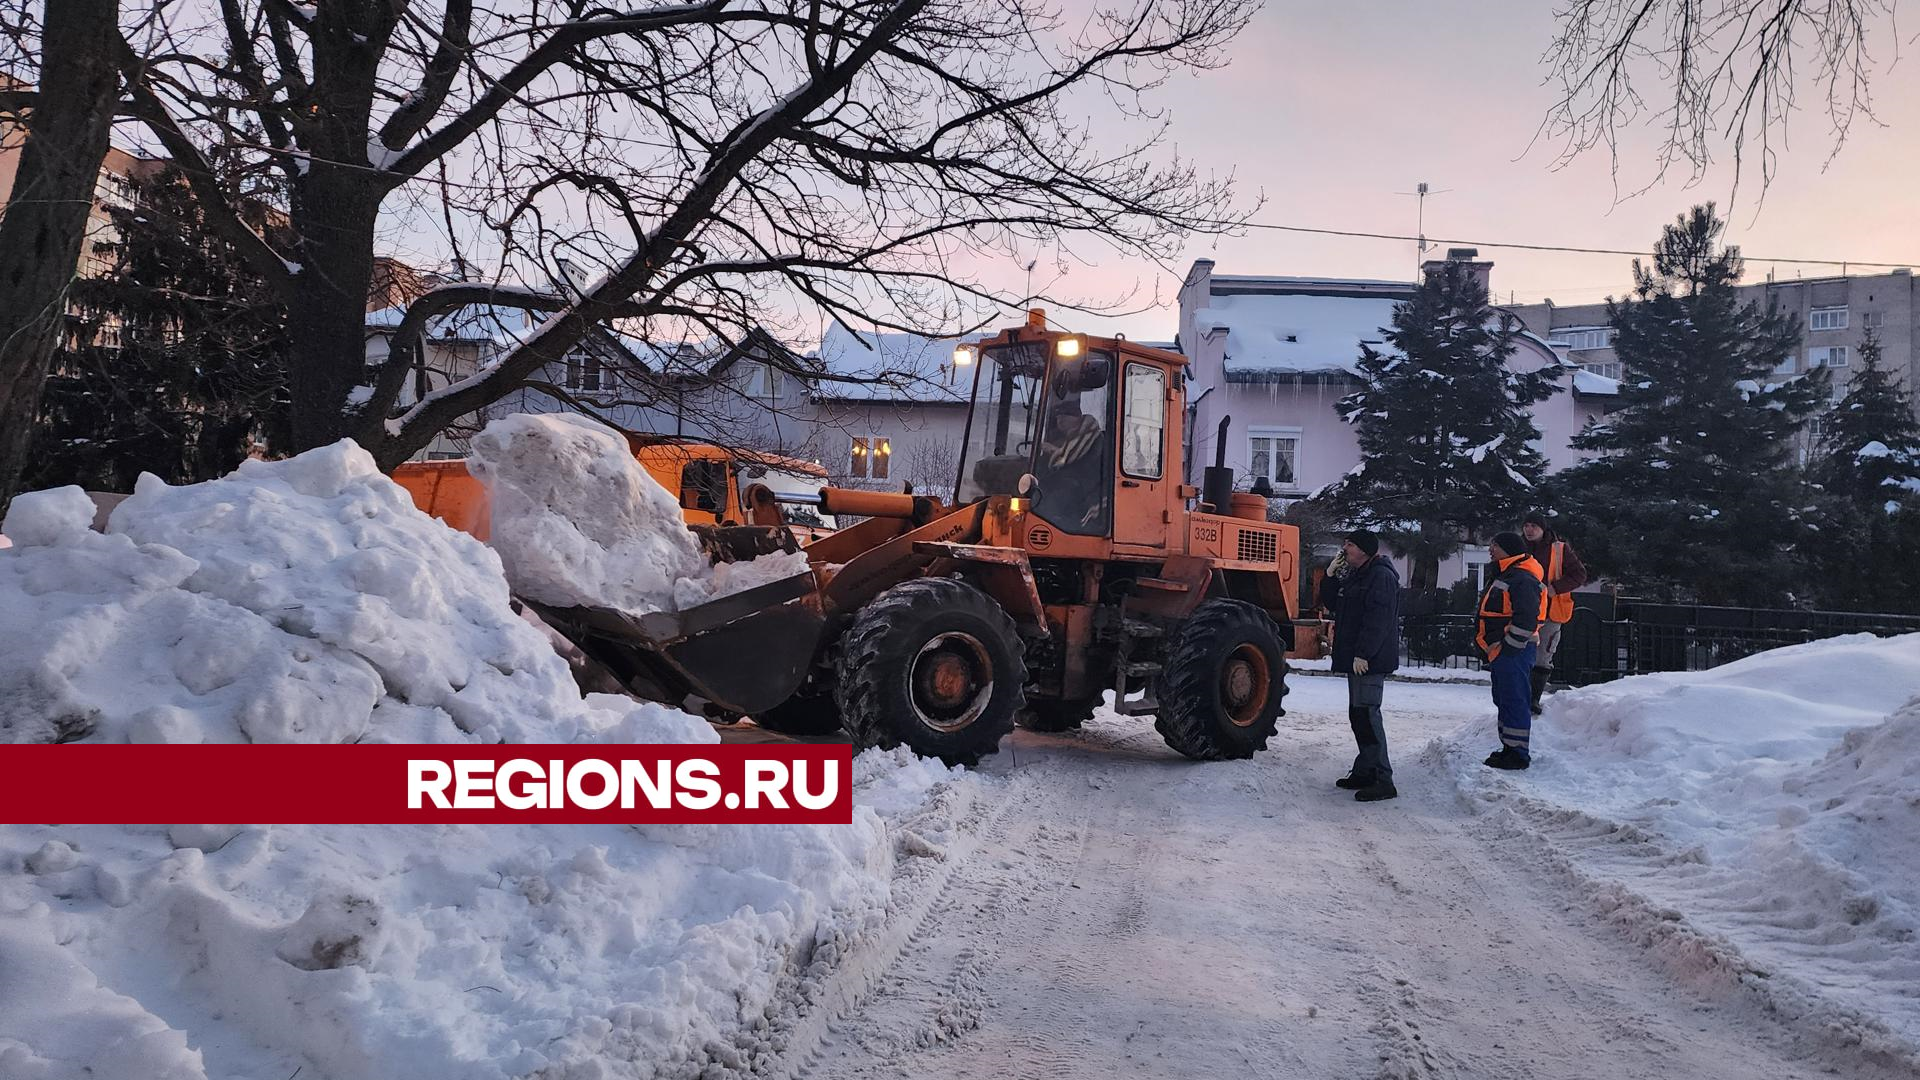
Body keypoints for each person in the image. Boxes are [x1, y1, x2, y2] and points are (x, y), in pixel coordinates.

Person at [1323, 528, 1401, 802]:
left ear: (1366, 550)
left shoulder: (1380, 577)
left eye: (1350, 544)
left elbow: (1378, 619)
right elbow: (1333, 604)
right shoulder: (1359, 574)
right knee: (1358, 715)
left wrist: (1364, 654)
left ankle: (1383, 779)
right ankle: (1365, 769)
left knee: (1368, 715)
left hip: (1369, 660)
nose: (1345, 548)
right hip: (1356, 658)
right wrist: (1330, 577)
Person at [1477, 531, 1546, 770]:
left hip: (1514, 651)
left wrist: (1509, 646)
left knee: (1515, 699)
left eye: (1494, 545)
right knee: (1504, 698)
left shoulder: (1521, 577)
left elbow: (1526, 617)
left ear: (1507, 549)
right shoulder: (1509, 573)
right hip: (1504, 651)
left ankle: (1518, 755)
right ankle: (1509, 747)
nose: (1490, 550)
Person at [1521, 510, 1588, 715]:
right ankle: (1520, 696)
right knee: (1520, 654)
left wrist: (1555, 588)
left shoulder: (1559, 549)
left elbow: (1579, 574)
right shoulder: (1518, 548)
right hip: (1522, 610)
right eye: (1526, 526)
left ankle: (1533, 699)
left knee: (1543, 655)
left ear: (1543, 529)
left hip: (1551, 611)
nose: (1529, 530)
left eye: (1534, 526)